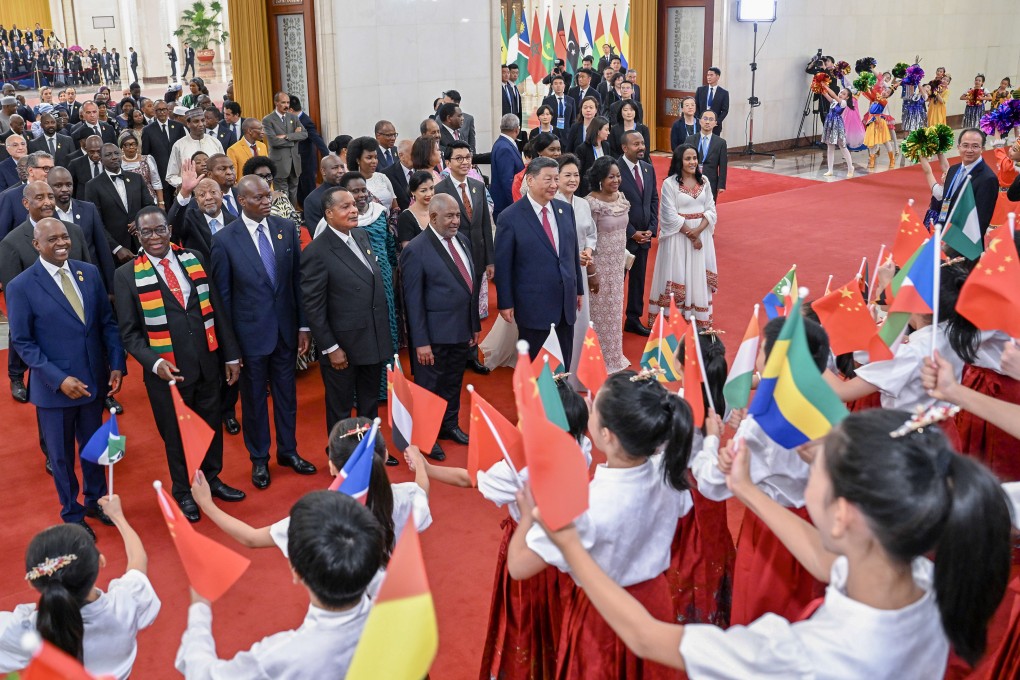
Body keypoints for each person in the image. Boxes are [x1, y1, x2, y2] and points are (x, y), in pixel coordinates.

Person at [541, 406, 1012, 677]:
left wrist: (573, 550)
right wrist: (745, 488)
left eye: (816, 472)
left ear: (844, 515)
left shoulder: (803, 656)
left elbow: (647, 638)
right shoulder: (920, 576)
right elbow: (824, 561)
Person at [507, 371, 695, 679]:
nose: (587, 405)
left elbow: (518, 566)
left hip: (604, 616)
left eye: (593, 407)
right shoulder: (670, 474)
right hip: (655, 603)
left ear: (607, 435)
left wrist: (528, 515)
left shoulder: (587, 504)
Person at [408, 380, 590, 679]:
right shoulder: (579, 446)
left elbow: (469, 479)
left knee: (526, 619)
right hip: (569, 547)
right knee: (561, 615)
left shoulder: (518, 470)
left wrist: (423, 468)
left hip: (528, 549)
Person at [114, 207, 244, 521]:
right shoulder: (126, 275)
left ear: (170, 230)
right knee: (176, 434)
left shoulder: (194, 258)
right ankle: (184, 490)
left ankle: (211, 479)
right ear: (138, 236)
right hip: (166, 370)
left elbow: (216, 309)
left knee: (210, 425)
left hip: (206, 361)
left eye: (160, 230)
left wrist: (230, 355)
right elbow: (129, 334)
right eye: (147, 232)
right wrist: (154, 362)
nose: (155, 237)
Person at [175, 491, 383, 677]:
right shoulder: (403, 611)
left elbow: (203, 674)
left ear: (296, 573)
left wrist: (199, 609)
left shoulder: (280, 656)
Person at [6, 218, 125, 536]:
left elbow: (106, 323)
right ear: (36, 245)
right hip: (54, 390)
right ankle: (72, 515)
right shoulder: (21, 287)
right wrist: (58, 379)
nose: (61, 243)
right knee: (61, 457)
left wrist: (116, 362)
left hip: (92, 381)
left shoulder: (89, 273)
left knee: (94, 448)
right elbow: (22, 342)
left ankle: (95, 501)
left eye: (65, 237)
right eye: (52, 239)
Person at [210, 175, 315, 491]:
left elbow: (297, 281)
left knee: (287, 396)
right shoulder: (225, 240)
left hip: (285, 330)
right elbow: (222, 299)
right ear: (242, 201)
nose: (266, 201)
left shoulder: (285, 228)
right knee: (254, 402)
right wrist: (230, 349)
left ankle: (288, 451)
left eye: (268, 196)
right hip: (249, 336)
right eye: (258, 198)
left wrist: (303, 325)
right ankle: (259, 459)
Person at [0, 498, 159, 678]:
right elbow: (138, 562)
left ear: (32, 582)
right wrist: (118, 517)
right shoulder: (125, 602)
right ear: (101, 561)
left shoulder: (26, 630)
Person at [301, 186, 391, 432]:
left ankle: (369, 451)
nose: (354, 210)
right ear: (329, 213)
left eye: (354, 204)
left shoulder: (361, 236)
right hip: (342, 347)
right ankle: (341, 458)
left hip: (371, 339)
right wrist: (331, 348)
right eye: (346, 206)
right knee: (340, 408)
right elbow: (314, 307)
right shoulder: (316, 252)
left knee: (369, 402)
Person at [400, 192, 480, 450]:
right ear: (433, 217)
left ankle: (449, 425)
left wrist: (473, 325)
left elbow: (469, 287)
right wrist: (420, 342)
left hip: (460, 330)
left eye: (457, 215)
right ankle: (426, 437)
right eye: (450, 216)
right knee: (429, 388)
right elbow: (413, 301)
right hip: (432, 337)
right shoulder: (416, 249)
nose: (456, 221)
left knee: (454, 381)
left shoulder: (463, 241)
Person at [495, 156, 583, 366]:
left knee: (563, 363)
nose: (554, 185)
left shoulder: (565, 210)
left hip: (565, 303)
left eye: (556, 179)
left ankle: (561, 398)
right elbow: (504, 265)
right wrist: (505, 302)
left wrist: (578, 288)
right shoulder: (510, 217)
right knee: (536, 368)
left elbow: (572, 252)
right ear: (531, 180)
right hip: (533, 306)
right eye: (548, 179)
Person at [648, 144, 718, 329]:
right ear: (679, 161)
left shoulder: (704, 182)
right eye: (688, 158)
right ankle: (675, 318)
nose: (692, 162)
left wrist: (698, 232)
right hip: (678, 238)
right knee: (678, 273)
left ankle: (696, 316)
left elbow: (711, 210)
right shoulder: (670, 184)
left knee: (697, 274)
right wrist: (691, 234)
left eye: (694, 158)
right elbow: (668, 215)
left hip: (701, 236)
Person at [584, 157, 632, 374]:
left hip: (617, 265)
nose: (616, 180)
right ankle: (595, 357)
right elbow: (587, 240)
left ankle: (613, 355)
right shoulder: (591, 203)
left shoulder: (620, 198)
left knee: (614, 310)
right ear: (600, 179)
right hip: (599, 265)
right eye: (611, 176)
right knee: (598, 312)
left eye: (618, 176)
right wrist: (591, 271)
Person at [556, 154, 598, 382]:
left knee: (581, 319)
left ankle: (579, 375)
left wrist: (589, 251)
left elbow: (591, 234)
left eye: (576, 175)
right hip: (560, 271)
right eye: (567, 175)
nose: (573, 180)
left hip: (581, 269)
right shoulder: (552, 203)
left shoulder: (583, 204)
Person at [918, 128, 999, 241]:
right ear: (958, 147)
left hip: (962, 245)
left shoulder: (988, 179)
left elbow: (981, 221)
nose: (969, 150)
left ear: (983, 149)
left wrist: (953, 248)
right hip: (942, 235)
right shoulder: (953, 170)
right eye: (965, 145)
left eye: (975, 146)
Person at [434, 140, 495, 289]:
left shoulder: (478, 186)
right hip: (454, 255)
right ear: (448, 163)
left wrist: (490, 260)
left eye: (468, 157)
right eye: (459, 158)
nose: (465, 162)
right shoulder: (440, 190)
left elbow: (485, 224)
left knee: (477, 301)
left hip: (478, 255)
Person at [48, 166, 117, 292]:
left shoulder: (88, 209)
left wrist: (111, 288)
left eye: (69, 185)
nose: (65, 189)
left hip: (90, 277)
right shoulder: (46, 216)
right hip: (61, 281)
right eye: (58, 186)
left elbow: (103, 249)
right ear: (48, 187)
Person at [617, 131, 659, 336]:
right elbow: (611, 205)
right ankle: (613, 321)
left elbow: (653, 200)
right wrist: (632, 233)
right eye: (636, 144)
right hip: (622, 238)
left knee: (638, 281)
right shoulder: (614, 170)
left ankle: (633, 319)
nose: (641, 147)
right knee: (617, 283)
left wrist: (651, 228)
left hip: (644, 237)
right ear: (625, 148)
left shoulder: (648, 169)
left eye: (643, 143)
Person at [84, 142, 155, 263]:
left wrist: (139, 220)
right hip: (115, 250)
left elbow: (150, 206)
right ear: (100, 159)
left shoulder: (136, 178)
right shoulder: (92, 186)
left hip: (143, 242)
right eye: (109, 154)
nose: (114, 157)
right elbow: (96, 222)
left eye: (117, 153)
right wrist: (116, 248)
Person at [261, 91, 306, 202]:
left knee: (293, 193)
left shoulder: (293, 118)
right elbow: (274, 141)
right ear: (276, 103)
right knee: (282, 194)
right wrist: (294, 138)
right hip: (280, 164)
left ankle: (294, 218)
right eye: (283, 102)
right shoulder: (268, 120)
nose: (286, 105)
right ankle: (285, 218)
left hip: (294, 164)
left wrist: (286, 136)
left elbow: (305, 134)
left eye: (288, 102)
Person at [164, 108, 223, 189]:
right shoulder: (179, 145)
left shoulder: (215, 142)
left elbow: (223, 167)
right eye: (196, 121)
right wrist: (189, 184)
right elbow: (171, 176)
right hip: (189, 193)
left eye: (203, 120)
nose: (201, 124)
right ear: (188, 124)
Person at [290, 95, 330, 206]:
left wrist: (327, 157)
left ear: (291, 110)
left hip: (306, 164)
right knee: (298, 192)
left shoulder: (305, 121)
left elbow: (317, 139)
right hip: (294, 164)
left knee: (308, 192)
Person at [141, 100, 186, 195]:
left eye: (164, 109)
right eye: (159, 110)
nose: (162, 112)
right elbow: (145, 154)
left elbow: (184, 149)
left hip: (178, 174)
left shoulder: (178, 127)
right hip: (160, 175)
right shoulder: (148, 130)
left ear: (168, 111)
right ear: (154, 111)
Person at [346, 136, 396, 213]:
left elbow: (395, 206)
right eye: (369, 158)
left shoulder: (382, 177)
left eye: (376, 157)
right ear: (358, 160)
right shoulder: (351, 183)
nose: (374, 161)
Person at [302, 153, 344, 236]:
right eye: (335, 168)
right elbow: (316, 233)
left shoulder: (350, 191)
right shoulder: (312, 200)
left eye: (342, 167)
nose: (341, 171)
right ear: (323, 171)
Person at [491, 113, 523, 219]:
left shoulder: (503, 143)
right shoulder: (505, 147)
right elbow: (507, 180)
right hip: (506, 205)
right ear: (517, 129)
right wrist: (517, 205)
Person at [117, 131, 162, 206]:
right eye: (127, 145)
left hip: (149, 200)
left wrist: (161, 203)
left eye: (134, 144)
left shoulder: (147, 159)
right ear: (122, 147)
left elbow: (156, 182)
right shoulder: (118, 163)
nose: (131, 147)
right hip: (128, 202)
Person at [820, 87, 855, 179]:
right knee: (830, 146)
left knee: (842, 146)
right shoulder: (834, 102)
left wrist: (826, 86)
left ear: (847, 97)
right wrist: (820, 86)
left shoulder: (843, 103)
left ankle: (850, 168)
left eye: (844, 94)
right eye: (841, 92)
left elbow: (834, 95)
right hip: (830, 123)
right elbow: (826, 95)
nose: (841, 94)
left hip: (837, 125)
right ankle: (830, 169)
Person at [395, 170, 434, 249]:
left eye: (431, 188)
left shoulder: (439, 210)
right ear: (413, 192)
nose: (429, 194)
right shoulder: (405, 217)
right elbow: (409, 250)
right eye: (423, 190)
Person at [694, 110, 728, 199]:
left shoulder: (720, 143)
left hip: (711, 181)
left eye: (711, 119)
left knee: (709, 210)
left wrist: (721, 185)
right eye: (705, 118)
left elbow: (723, 165)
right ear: (700, 121)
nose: (707, 122)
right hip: (692, 180)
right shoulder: (690, 139)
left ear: (715, 123)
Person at [576, 116, 611, 196]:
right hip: (588, 189)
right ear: (598, 131)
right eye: (606, 129)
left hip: (604, 187)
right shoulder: (582, 148)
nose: (608, 132)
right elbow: (580, 172)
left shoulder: (606, 145)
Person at [225, 117, 267, 183]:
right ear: (250, 131)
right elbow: (233, 177)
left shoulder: (262, 146)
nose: (263, 132)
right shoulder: (233, 150)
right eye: (260, 129)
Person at [381, 138, 414, 211]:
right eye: (413, 154)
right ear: (401, 155)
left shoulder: (421, 170)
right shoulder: (387, 174)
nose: (417, 157)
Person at [695, 67, 729, 135]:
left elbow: (725, 110)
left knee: (714, 144)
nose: (708, 77)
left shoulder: (724, 93)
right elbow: (696, 106)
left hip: (715, 126)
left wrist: (717, 121)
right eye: (708, 75)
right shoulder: (700, 90)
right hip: (701, 124)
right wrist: (698, 119)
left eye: (711, 75)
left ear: (717, 77)